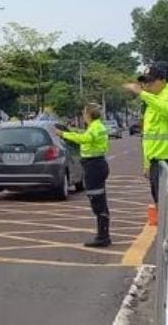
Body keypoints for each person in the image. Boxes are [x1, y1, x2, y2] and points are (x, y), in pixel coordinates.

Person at [124, 62, 168, 249]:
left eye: (150, 82)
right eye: (144, 82)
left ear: (162, 80)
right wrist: (147, 163)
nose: (146, 85)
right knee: (163, 209)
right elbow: (148, 137)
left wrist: (142, 94)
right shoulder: (152, 102)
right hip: (157, 163)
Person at [56, 103, 112, 247]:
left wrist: (64, 134)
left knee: (97, 200)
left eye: (84, 113)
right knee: (99, 200)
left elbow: (84, 139)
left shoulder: (95, 127)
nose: (83, 116)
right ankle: (103, 235)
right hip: (96, 165)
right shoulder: (96, 126)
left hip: (94, 166)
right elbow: (84, 135)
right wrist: (71, 131)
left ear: (89, 114)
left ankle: (103, 237)